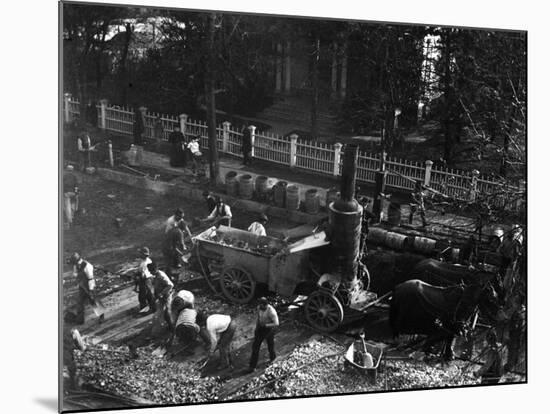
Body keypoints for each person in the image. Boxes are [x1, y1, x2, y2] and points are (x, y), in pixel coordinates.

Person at [69, 252, 105, 324]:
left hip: (89, 285)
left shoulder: (87, 265)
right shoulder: (76, 265)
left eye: (74, 261)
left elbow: (90, 278)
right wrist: (76, 275)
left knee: (93, 301)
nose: (74, 264)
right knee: (79, 302)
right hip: (82, 286)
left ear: (78, 260)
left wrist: (91, 290)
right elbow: (75, 273)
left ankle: (101, 316)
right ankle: (80, 320)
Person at [248, 297, 279, 372]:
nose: (260, 307)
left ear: (266, 305)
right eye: (260, 305)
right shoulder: (259, 308)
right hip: (261, 328)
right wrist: (257, 328)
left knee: (270, 345)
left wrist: (266, 325)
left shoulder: (271, 312)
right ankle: (252, 366)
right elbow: (259, 318)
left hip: (269, 329)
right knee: (255, 347)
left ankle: (273, 358)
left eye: (262, 306)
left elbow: (276, 323)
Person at [148, 262, 175, 331]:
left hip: (166, 296)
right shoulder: (156, 276)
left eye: (151, 271)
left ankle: (172, 327)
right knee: (163, 312)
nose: (150, 273)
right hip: (161, 297)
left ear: (156, 269)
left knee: (167, 312)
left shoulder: (161, 276)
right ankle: (169, 325)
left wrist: (162, 293)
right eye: (149, 271)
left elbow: (170, 285)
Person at [134, 247, 156, 314]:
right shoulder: (147, 261)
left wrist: (137, 276)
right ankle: (153, 308)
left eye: (141, 253)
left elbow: (143, 274)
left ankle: (145, 310)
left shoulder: (145, 263)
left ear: (144, 254)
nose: (139, 255)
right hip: (148, 279)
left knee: (143, 296)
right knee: (149, 294)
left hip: (145, 280)